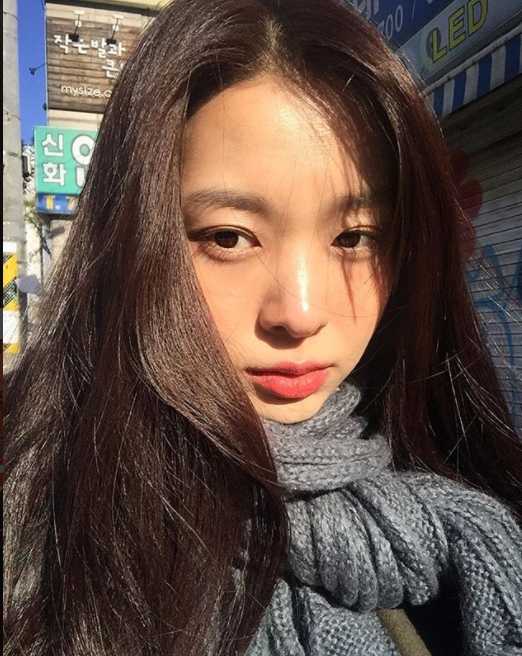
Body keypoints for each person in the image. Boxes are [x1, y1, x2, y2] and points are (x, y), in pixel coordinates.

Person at [4, 0, 522, 654]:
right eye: (228, 237)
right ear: (131, 238)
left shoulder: (466, 533)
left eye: (355, 237)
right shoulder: (40, 515)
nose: (300, 313)